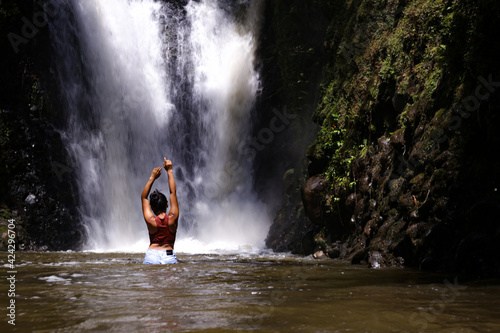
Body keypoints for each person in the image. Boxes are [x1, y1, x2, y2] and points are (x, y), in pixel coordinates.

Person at [141, 158, 179, 264]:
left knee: (152, 280)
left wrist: (152, 177)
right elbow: (173, 193)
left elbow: (144, 197)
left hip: (152, 254)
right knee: (170, 280)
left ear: (152, 207)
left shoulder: (151, 220)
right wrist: (169, 170)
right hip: (169, 254)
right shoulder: (173, 217)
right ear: (167, 204)